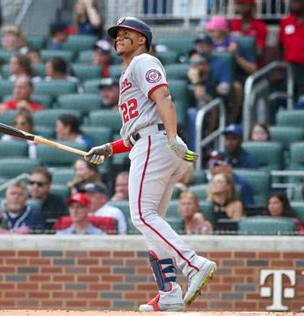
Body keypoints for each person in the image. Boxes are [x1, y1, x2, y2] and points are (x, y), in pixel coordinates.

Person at [84, 17, 216, 312]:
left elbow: (164, 99)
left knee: (141, 216)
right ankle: (168, 292)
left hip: (157, 144)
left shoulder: (143, 61)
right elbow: (135, 133)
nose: (118, 37)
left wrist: (172, 136)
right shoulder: (129, 72)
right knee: (151, 222)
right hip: (151, 143)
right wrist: (107, 149)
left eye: (125, 33)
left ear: (142, 38)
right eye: (116, 34)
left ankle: (194, 264)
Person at [229, 0, 268, 67]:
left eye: (243, 4)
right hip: (234, 65)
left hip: (253, 65)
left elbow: (259, 52)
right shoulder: (233, 24)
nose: (240, 7)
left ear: (252, 5)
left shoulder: (260, 26)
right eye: (238, 4)